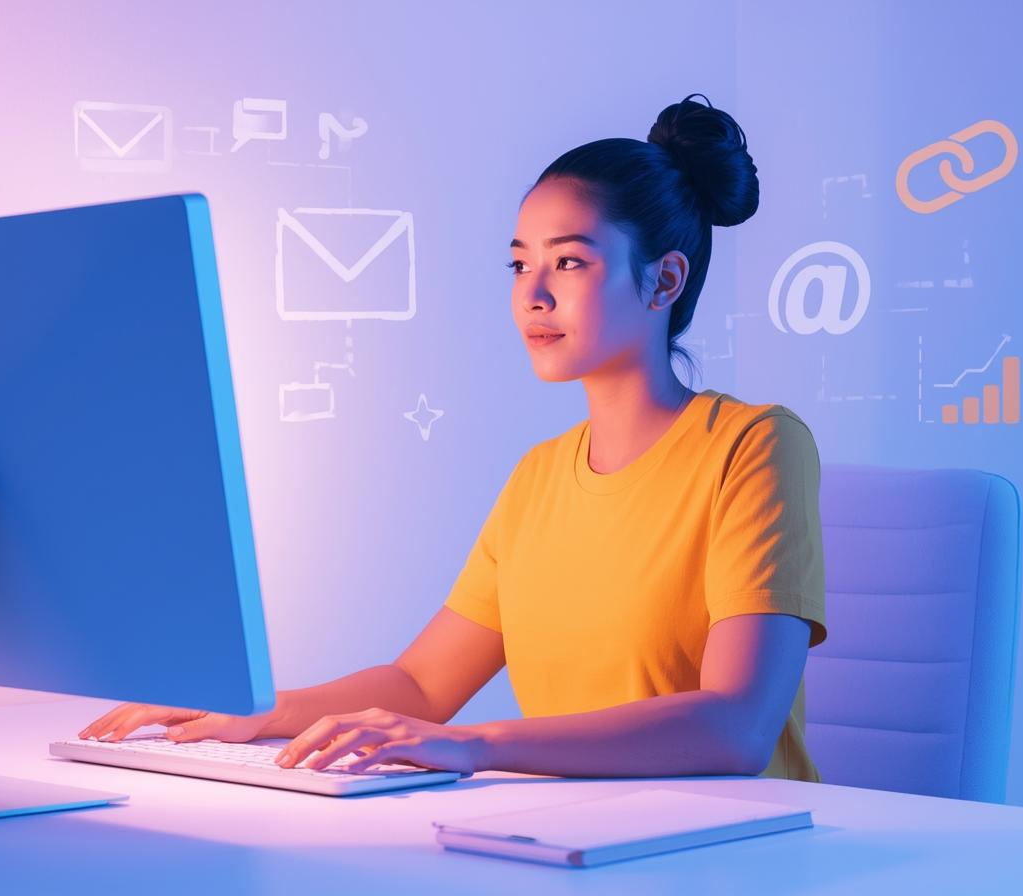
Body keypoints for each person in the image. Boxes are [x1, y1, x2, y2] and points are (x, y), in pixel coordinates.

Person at [80, 93, 828, 782]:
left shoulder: (754, 445)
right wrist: (253, 712)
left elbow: (737, 728)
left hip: (735, 843)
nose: (533, 293)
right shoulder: (539, 477)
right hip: (580, 835)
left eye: (569, 261)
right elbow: (422, 685)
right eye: (520, 263)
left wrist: (477, 745)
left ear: (664, 281)